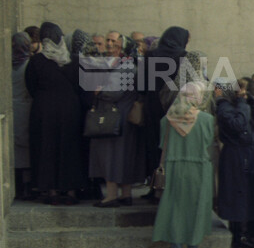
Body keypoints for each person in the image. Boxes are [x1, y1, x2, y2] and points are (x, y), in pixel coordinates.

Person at [152, 82, 215, 248]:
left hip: (174, 167)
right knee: (197, 206)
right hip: (199, 168)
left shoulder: (166, 120)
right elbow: (208, 142)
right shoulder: (207, 119)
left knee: (175, 206)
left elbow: (161, 145)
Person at [83, 32, 146, 208]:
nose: (110, 45)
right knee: (123, 157)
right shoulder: (126, 65)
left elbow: (113, 92)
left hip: (116, 118)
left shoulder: (125, 66)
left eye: (115, 43)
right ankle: (125, 195)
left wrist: (98, 91)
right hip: (121, 117)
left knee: (112, 156)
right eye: (109, 41)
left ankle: (111, 196)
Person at [24, 22, 84, 205]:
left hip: (45, 110)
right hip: (71, 110)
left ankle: (51, 191)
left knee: (47, 148)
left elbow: (31, 86)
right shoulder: (74, 60)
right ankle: (71, 190)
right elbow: (82, 87)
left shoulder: (36, 61)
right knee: (70, 148)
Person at [141, 27, 190, 202]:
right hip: (173, 107)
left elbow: (141, 83)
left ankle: (154, 187)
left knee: (153, 146)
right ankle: (168, 188)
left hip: (152, 106)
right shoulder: (184, 57)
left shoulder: (151, 55)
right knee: (170, 147)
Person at [214, 78, 254, 248]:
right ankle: (238, 235)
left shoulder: (237, 105)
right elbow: (239, 125)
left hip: (245, 153)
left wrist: (250, 103)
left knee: (245, 191)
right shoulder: (224, 107)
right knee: (237, 192)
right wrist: (241, 102)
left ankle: (244, 233)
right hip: (235, 154)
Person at [11, 32, 34, 199]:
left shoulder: (8, 65)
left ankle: (17, 186)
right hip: (27, 108)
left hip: (11, 108)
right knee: (26, 149)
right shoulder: (29, 64)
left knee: (15, 148)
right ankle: (27, 186)